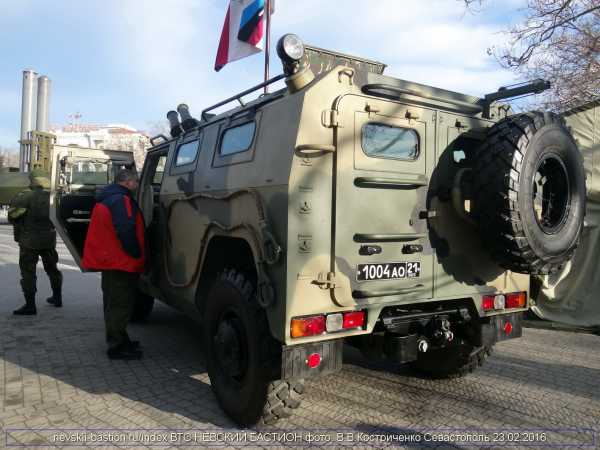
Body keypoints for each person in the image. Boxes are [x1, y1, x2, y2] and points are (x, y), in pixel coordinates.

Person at [82, 169, 145, 360]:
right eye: (135, 182)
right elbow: (125, 228)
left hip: (110, 261)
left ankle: (120, 338)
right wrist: (136, 252)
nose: (136, 186)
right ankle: (117, 347)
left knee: (112, 302)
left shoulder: (108, 198)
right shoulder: (121, 200)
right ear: (127, 182)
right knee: (120, 304)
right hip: (121, 261)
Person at [8, 169, 63, 315]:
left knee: (28, 272)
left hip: (29, 241)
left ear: (31, 180)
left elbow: (13, 216)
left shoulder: (24, 196)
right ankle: (57, 298)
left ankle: (30, 305)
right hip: (49, 240)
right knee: (52, 269)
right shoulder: (54, 196)